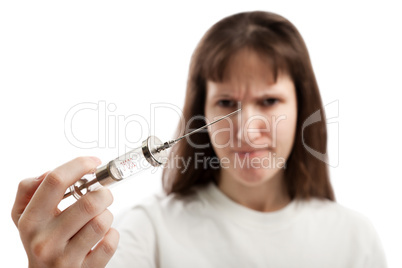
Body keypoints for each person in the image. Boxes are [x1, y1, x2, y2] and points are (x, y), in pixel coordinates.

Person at [12, 11, 387, 268]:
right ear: (201, 113)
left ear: (304, 107)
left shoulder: (354, 237)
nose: (245, 127)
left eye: (269, 101)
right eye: (226, 102)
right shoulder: (145, 231)